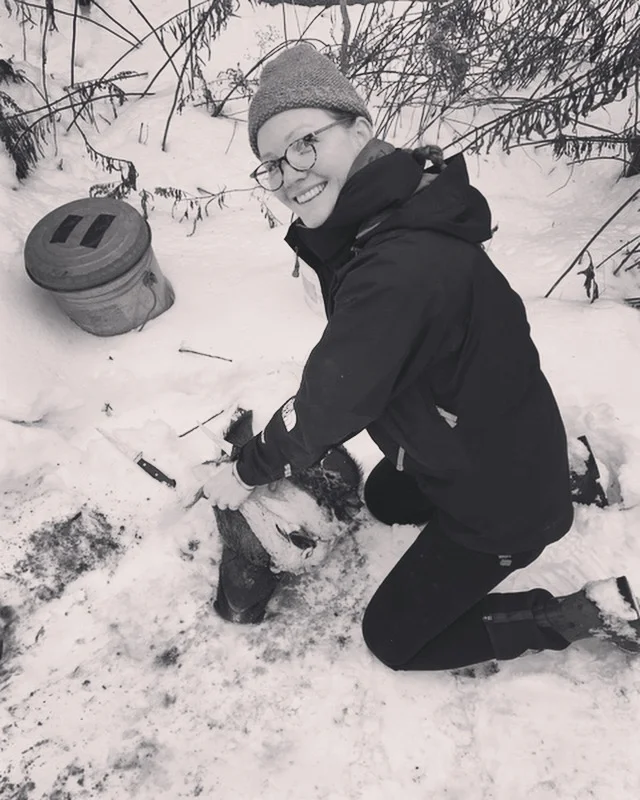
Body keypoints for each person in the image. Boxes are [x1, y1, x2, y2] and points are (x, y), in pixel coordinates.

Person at [202, 43, 640, 670]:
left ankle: (579, 613)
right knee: (384, 497)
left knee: (394, 640)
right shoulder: (393, 212)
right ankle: (564, 464)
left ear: (360, 128)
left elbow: (329, 400)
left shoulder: (399, 266)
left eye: (305, 143)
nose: (289, 173)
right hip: (484, 438)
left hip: (503, 503)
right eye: (271, 162)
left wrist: (248, 471)